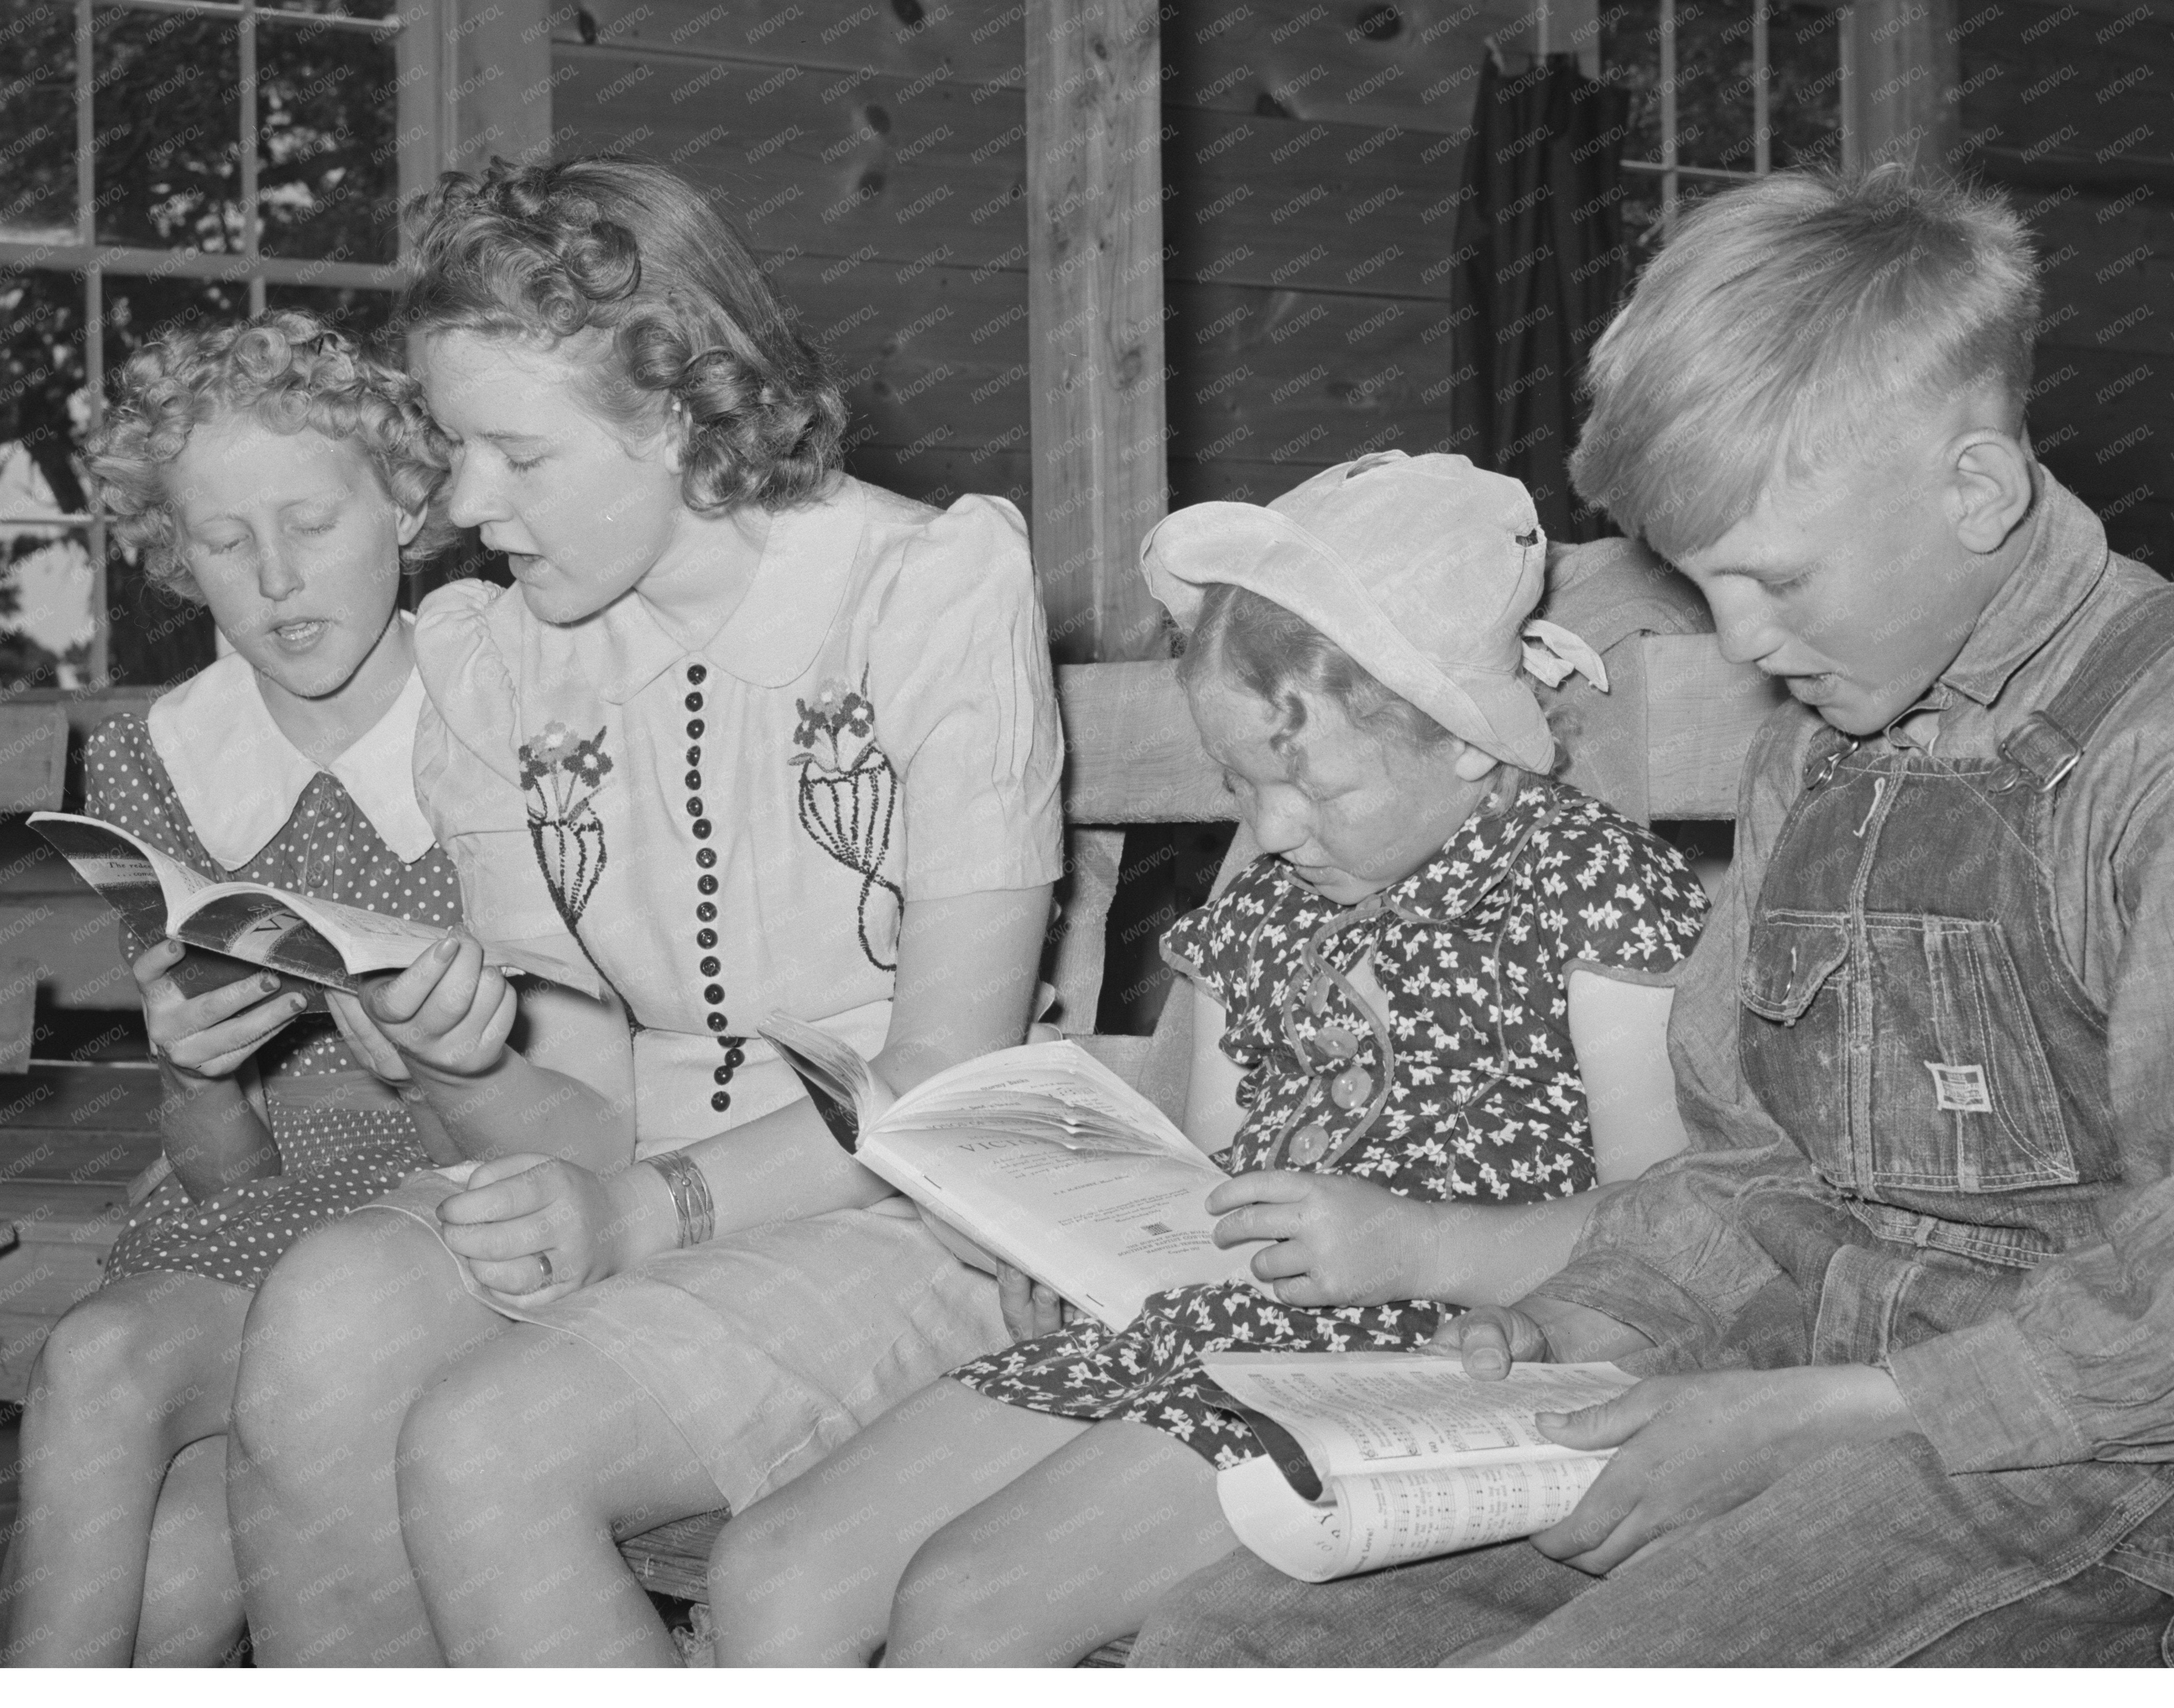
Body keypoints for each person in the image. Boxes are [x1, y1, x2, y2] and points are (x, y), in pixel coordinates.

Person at [1133, 165, 2174, 1668]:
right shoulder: (1820, 748)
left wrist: (1791, 1424)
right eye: (1702, 584)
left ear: (1977, 490)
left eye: (1774, 579)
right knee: (1223, 1652)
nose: (1740, 637)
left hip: (2108, 1458)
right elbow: (1750, 1170)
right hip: (1810, 1367)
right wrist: (1584, 1324)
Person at [225, 158, 1064, 1665]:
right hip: (644, 1197)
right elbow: (580, 1128)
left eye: (515, 456)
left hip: (917, 1220)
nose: (460, 507)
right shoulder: (496, 659)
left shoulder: (923, 591)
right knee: (322, 1318)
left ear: (678, 418)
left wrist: (636, 1213)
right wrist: (451, 1052)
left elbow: (945, 1083)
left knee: (490, 1441)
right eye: (453, 446)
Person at [703, 451, 1711, 1666]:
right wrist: (1082, 1250)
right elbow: (1210, 1181)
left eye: (1317, 785)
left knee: (970, 1604)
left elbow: (1679, 1228)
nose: (1273, 832)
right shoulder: (1269, 906)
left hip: (1431, 1364)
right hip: (1212, 1328)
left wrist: (1415, 1243)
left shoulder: (1585, 886)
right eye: (1241, 784)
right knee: (771, 1571)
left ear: (1465, 739)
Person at [0, 313, 463, 1665]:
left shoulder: (494, 709)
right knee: (95, 1366)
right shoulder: (164, 757)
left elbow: (569, 1100)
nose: (274, 579)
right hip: (254, 1223)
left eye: (311, 523)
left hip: (458, 1221)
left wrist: (432, 1051)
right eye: (221, 541)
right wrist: (192, 1068)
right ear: (170, 550)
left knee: (178, 1571)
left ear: (411, 502)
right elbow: (219, 1172)